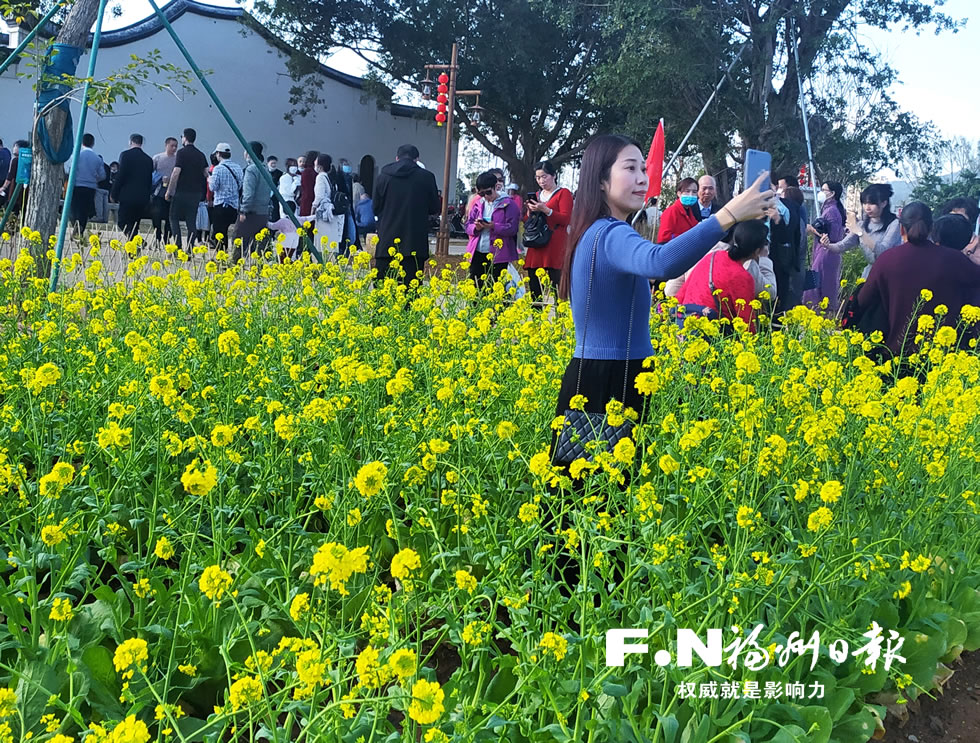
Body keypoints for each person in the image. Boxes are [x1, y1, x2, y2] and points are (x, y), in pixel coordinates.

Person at [552, 134, 773, 444]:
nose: (642, 179)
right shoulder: (608, 233)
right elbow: (661, 262)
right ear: (601, 180)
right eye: (630, 169)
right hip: (607, 380)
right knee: (597, 487)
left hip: (612, 374)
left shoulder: (599, 231)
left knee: (599, 488)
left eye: (644, 169)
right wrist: (728, 216)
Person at [857, 202, 980, 357]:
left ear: (902, 229)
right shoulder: (957, 260)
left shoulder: (887, 259)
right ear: (930, 228)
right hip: (942, 360)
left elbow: (862, 301)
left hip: (891, 358)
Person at [676, 220, 770, 331]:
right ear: (757, 251)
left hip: (685, 323)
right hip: (710, 333)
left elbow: (683, 291)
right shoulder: (742, 277)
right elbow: (746, 321)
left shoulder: (713, 256)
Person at [373, 144, 441, 285]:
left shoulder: (383, 177)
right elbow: (435, 208)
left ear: (397, 158)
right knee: (411, 290)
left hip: (387, 241)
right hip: (414, 242)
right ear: (417, 159)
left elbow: (375, 208)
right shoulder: (427, 177)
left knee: (382, 291)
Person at [816, 184, 902, 280]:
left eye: (871, 203)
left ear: (883, 203)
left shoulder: (894, 224)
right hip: (869, 275)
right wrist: (827, 244)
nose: (867, 207)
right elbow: (841, 246)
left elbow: (883, 252)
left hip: (889, 276)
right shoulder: (861, 225)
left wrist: (860, 232)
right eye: (864, 203)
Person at [524, 159, 573, 301]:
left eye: (544, 176)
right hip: (537, 242)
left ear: (554, 175)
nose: (541, 181)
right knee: (534, 280)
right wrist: (531, 211)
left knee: (556, 281)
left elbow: (566, 219)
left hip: (555, 243)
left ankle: (560, 315)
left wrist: (546, 210)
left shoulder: (563, 193)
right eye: (538, 177)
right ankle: (536, 316)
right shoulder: (538, 196)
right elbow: (528, 221)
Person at [465, 171, 520, 291]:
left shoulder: (509, 204)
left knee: (496, 289)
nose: (486, 196)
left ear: (496, 186)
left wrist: (494, 226)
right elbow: (468, 225)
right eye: (481, 193)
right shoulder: (478, 204)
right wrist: (476, 228)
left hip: (499, 254)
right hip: (478, 251)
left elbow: (513, 228)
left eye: (488, 192)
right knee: (475, 288)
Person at [803, 180, 847, 312]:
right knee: (822, 283)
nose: (821, 193)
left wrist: (812, 229)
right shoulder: (830, 209)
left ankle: (816, 311)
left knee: (818, 285)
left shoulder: (832, 211)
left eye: (824, 190)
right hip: (825, 252)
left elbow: (831, 237)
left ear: (832, 193)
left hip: (826, 253)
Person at [165, 128, 209, 249]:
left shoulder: (181, 153)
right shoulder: (200, 154)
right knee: (191, 221)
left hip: (182, 191)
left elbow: (176, 172)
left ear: (185, 138)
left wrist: (169, 191)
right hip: (195, 193)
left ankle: (178, 246)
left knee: (173, 217)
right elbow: (206, 174)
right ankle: (189, 248)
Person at [234, 141, 273, 261]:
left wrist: (243, 211)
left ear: (249, 153)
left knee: (239, 239)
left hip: (251, 211)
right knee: (260, 243)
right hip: (263, 211)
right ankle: (261, 267)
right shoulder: (266, 169)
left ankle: (235, 265)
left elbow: (248, 193)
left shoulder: (251, 170)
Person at [111, 133, 154, 239]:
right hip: (142, 197)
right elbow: (149, 180)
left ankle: (136, 242)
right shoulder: (148, 159)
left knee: (122, 221)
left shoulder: (125, 155)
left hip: (127, 195)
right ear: (141, 143)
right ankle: (133, 250)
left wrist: (114, 194)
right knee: (135, 224)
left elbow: (121, 176)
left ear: (130, 142)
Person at [66, 133, 107, 233]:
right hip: (90, 187)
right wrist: (94, 179)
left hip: (77, 185)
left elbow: (68, 170)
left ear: (81, 142)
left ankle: (75, 227)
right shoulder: (97, 158)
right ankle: (80, 230)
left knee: (74, 209)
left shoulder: (76, 156)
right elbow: (102, 175)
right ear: (93, 143)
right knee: (84, 211)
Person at [208, 143, 244, 250]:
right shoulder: (238, 167)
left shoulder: (218, 169)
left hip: (220, 205)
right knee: (227, 231)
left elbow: (213, 187)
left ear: (218, 154)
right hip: (234, 205)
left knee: (220, 233)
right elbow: (241, 185)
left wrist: (209, 180)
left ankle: (221, 256)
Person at [312, 153, 345, 257]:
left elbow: (319, 196)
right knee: (330, 240)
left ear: (320, 166)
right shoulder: (329, 177)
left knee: (321, 242)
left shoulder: (320, 177)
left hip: (323, 212)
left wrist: (313, 208)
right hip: (330, 211)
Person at [657, 178, 700, 242]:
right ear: (679, 193)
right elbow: (664, 237)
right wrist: (687, 238)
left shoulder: (690, 211)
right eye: (687, 191)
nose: (691, 195)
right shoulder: (671, 211)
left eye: (694, 192)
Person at [152, 137, 178, 243]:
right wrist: (159, 177)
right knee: (156, 215)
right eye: (172, 146)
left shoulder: (177, 159)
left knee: (169, 216)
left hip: (172, 191)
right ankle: (157, 235)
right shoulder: (157, 158)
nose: (174, 148)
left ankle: (167, 237)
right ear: (166, 145)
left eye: (176, 146)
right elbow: (151, 173)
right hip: (158, 191)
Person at [299, 150, 319, 218]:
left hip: (308, 199)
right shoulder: (308, 172)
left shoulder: (310, 171)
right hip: (308, 201)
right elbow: (308, 189)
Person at [267, 155, 283, 220]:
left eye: (275, 163)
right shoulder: (264, 172)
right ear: (267, 163)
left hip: (275, 197)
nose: (273, 165)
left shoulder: (280, 173)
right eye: (272, 163)